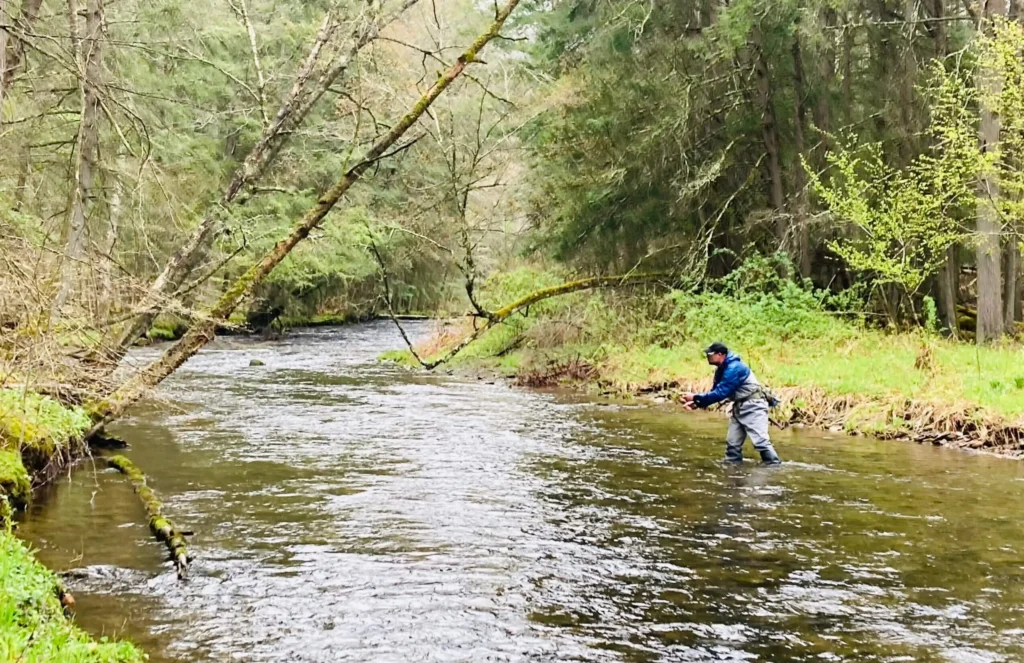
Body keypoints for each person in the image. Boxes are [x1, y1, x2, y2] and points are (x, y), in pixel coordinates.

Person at [681, 342, 782, 465]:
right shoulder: (722, 369)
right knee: (732, 444)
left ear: (720, 354)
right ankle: (732, 471)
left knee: (761, 442)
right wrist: (697, 403)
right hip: (739, 407)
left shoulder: (734, 368)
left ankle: (774, 467)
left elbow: (721, 393)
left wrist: (696, 397)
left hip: (754, 406)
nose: (707, 356)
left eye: (710, 354)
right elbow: (715, 393)